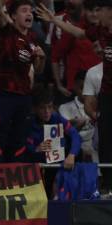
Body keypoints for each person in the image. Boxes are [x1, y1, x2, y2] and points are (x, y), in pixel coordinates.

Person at [36, 0, 112, 196]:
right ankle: (107, 184)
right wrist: (54, 20)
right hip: (106, 93)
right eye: (93, 10)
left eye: (99, 9)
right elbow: (78, 33)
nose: (95, 15)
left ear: (109, 11)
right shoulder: (100, 31)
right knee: (104, 139)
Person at [0, 0, 46, 162]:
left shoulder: (32, 39)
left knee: (19, 139)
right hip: (5, 95)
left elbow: (38, 70)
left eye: (30, 11)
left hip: (24, 97)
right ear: (13, 16)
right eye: (24, 10)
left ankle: (14, 181)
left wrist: (41, 58)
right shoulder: (8, 32)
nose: (29, 14)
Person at [26, 87, 81, 198]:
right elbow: (25, 147)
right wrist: (36, 149)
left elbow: (75, 135)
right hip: (36, 166)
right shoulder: (28, 124)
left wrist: (72, 155)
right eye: (42, 108)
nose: (47, 112)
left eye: (50, 107)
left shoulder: (57, 119)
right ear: (35, 109)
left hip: (58, 165)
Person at [59, 71, 96, 162]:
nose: (86, 92)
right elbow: (65, 136)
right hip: (74, 152)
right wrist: (75, 125)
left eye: (89, 88)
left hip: (97, 150)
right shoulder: (64, 108)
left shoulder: (101, 108)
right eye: (82, 88)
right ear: (75, 87)